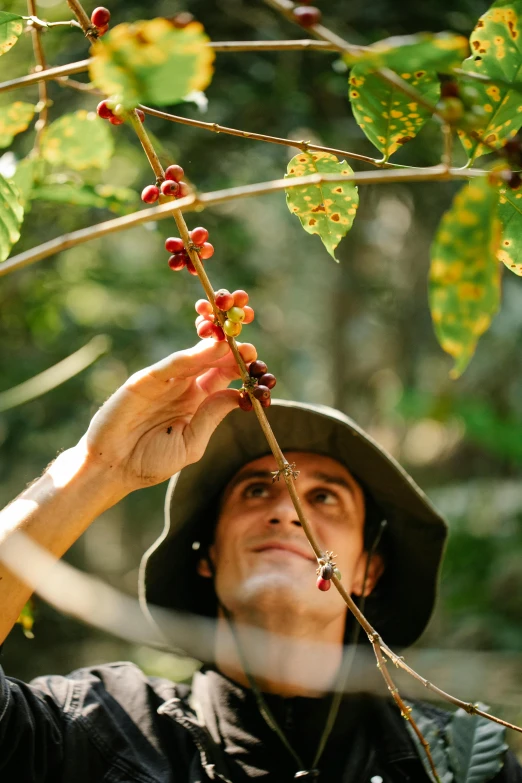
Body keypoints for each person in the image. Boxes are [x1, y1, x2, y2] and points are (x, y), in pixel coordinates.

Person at [0, 339, 520, 782]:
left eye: (325, 498)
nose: (285, 513)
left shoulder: (462, 759)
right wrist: (97, 468)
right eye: (254, 491)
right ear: (208, 556)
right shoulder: (98, 730)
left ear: (368, 570)